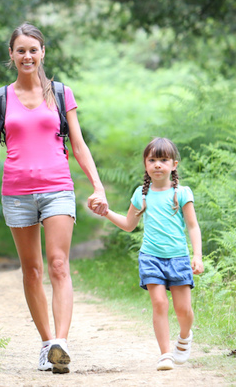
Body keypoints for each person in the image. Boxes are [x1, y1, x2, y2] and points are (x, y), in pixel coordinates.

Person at [0, 23, 109, 374]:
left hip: (57, 187)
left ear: (42, 52)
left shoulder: (61, 94)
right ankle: (47, 345)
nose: (27, 56)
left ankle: (62, 341)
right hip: (16, 193)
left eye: (33, 49)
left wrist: (97, 185)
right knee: (31, 270)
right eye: (20, 50)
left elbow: (78, 145)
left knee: (58, 264)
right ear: (12, 55)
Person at [96, 137, 204, 371]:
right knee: (159, 303)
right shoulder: (141, 195)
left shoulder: (182, 193)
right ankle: (165, 354)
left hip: (178, 258)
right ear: (145, 164)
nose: (157, 164)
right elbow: (128, 224)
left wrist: (197, 256)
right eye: (152, 160)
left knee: (183, 310)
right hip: (151, 258)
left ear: (174, 164)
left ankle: (184, 337)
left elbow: (193, 226)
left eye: (163, 160)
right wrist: (106, 213)